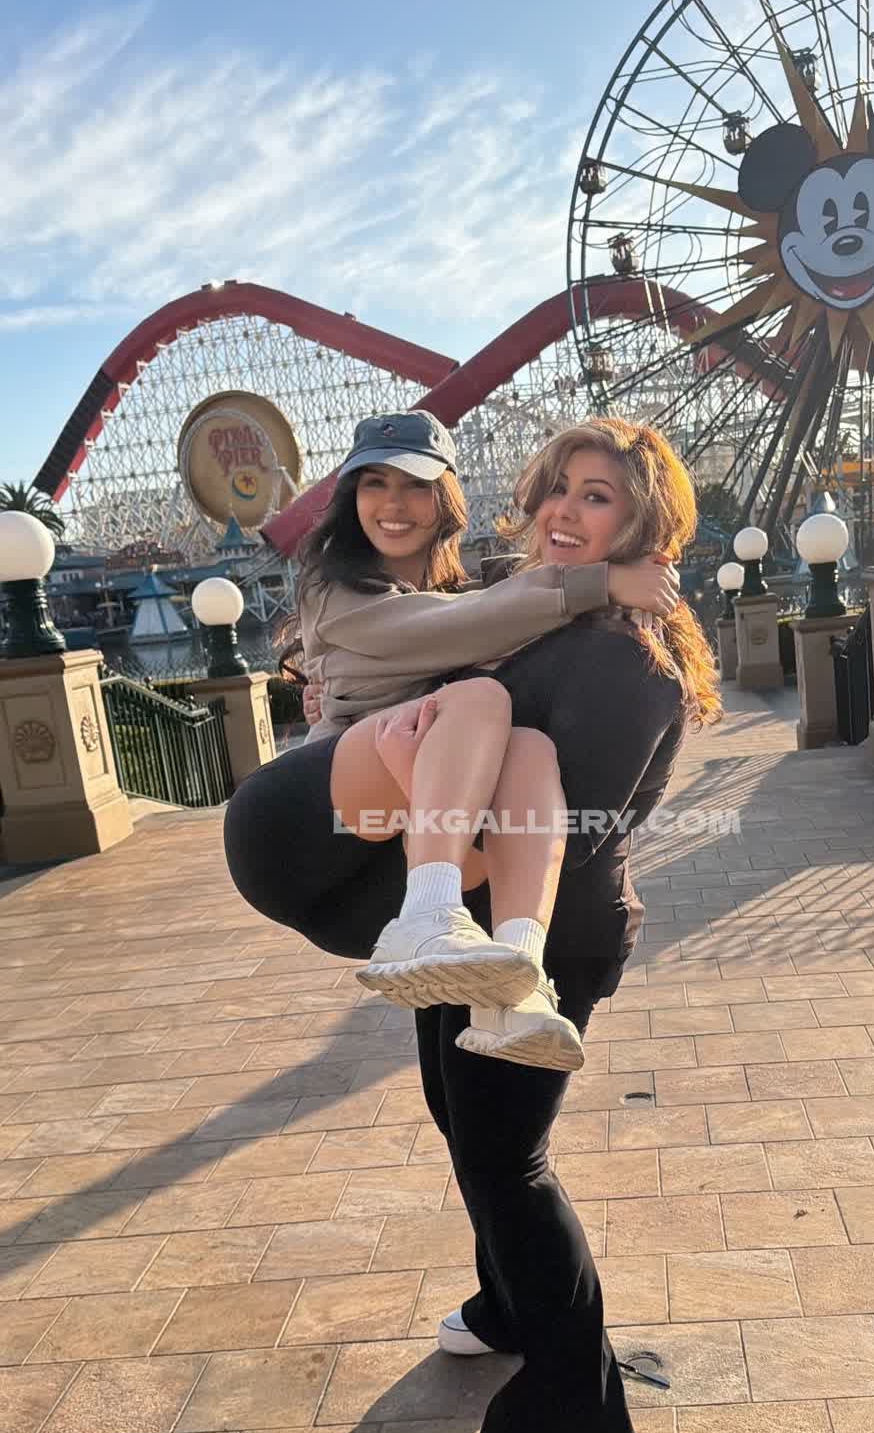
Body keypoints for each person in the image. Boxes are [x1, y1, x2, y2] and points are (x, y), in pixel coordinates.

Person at [300, 419, 719, 1433]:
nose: (566, 512)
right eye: (559, 489)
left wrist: (400, 827)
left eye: (598, 497)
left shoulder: (622, 657)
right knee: (458, 1113)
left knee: (505, 1158)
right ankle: (509, 1301)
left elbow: (571, 822)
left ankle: (578, 1415)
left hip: (548, 938)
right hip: (473, 926)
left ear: (642, 525)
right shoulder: (546, 616)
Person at [223, 410, 677, 1072]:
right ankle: (428, 912)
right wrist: (600, 581)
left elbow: (483, 616)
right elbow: (451, 627)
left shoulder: (467, 593)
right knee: (480, 700)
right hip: (306, 827)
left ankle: (517, 979)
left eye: (415, 485)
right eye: (374, 484)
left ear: (445, 499)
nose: (393, 504)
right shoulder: (335, 589)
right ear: (350, 498)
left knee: (528, 750)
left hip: (385, 842)